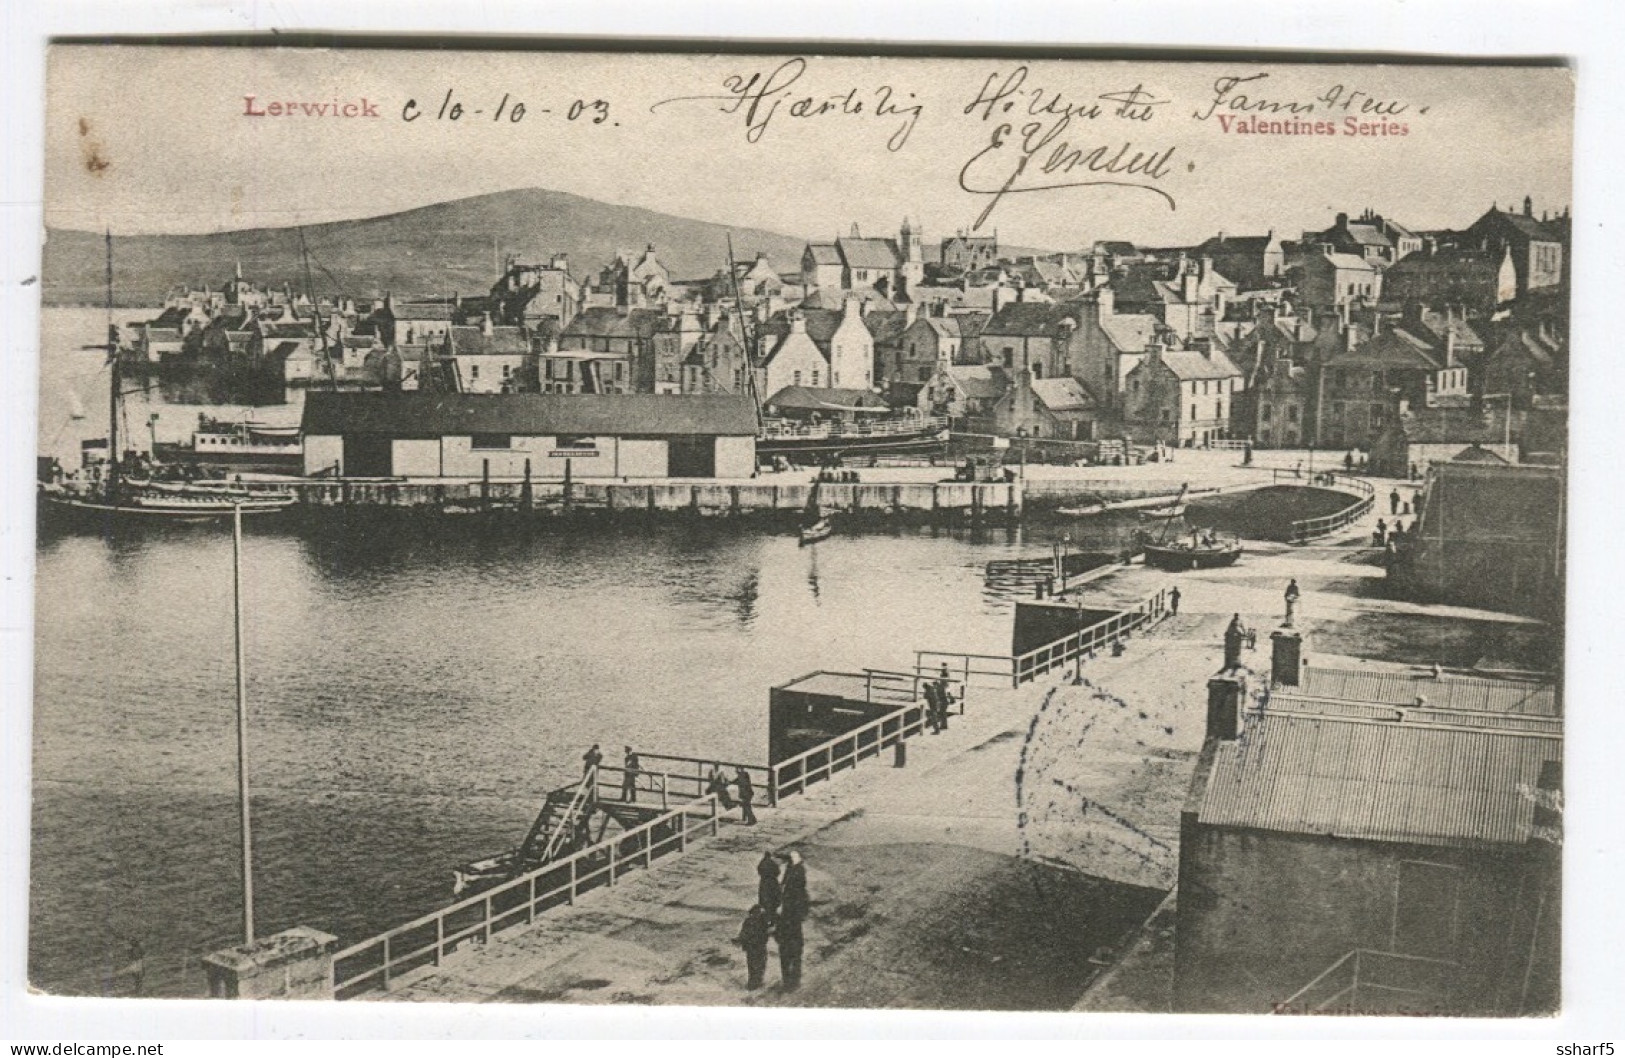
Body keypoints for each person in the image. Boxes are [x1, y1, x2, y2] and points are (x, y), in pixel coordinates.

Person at [777, 851, 810, 990]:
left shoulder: (799, 870)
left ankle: (792, 983)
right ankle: (791, 983)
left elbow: (799, 887)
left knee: (790, 960)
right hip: (793, 940)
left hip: (789, 941)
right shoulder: (792, 867)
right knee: (793, 960)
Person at [735, 904, 773, 990]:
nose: (757, 914)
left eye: (759, 912)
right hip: (755, 948)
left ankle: (755, 983)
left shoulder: (755, 921)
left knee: (756, 966)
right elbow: (744, 934)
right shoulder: (754, 921)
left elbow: (743, 934)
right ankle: (754, 984)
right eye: (757, 912)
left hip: (756, 947)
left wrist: (740, 940)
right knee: (756, 966)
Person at [757, 850, 782, 920]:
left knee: (765, 899)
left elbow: (759, 870)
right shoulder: (772, 863)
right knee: (773, 899)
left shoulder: (762, 863)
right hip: (773, 882)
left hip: (764, 882)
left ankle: (767, 918)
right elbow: (778, 872)